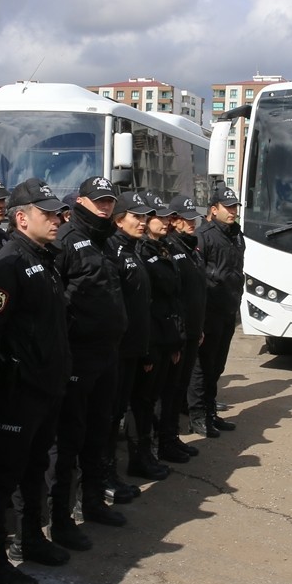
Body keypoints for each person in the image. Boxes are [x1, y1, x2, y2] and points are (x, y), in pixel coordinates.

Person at [0, 178, 73, 584]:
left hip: (45, 387)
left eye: (56, 213)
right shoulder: (9, 262)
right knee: (1, 480)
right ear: (22, 218)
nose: (56, 220)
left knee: (36, 470)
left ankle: (33, 537)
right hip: (18, 394)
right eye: (46, 214)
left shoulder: (44, 257)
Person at [52, 175, 129, 549]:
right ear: (80, 202)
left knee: (101, 433)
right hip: (78, 358)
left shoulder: (108, 241)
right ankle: (60, 517)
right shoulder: (65, 240)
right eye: (98, 201)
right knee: (70, 440)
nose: (104, 206)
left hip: (107, 355)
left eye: (109, 201)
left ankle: (93, 500)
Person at [109, 192, 165, 484]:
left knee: (138, 405)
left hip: (139, 347)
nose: (142, 222)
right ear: (119, 220)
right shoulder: (115, 252)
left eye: (145, 217)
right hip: (120, 350)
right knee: (113, 415)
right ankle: (107, 475)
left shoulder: (135, 250)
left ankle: (140, 459)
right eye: (136, 216)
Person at [132, 193, 188, 465]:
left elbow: (174, 298)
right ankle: (142, 453)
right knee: (144, 401)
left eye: (168, 217)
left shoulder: (163, 248)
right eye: (160, 217)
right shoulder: (141, 251)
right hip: (152, 339)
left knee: (164, 394)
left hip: (167, 336)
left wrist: (176, 340)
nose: (166, 221)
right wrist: (150, 347)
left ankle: (163, 443)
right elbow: (146, 304)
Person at [188, 186, 244, 438]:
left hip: (228, 309)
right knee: (203, 367)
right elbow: (199, 277)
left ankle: (210, 412)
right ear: (214, 209)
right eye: (228, 207)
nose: (233, 212)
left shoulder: (235, 234)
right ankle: (197, 416)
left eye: (234, 207)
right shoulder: (204, 235)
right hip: (209, 311)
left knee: (217, 367)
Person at [165, 195, 206, 457]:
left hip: (192, 329)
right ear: (175, 221)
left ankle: (172, 437)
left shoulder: (191, 247)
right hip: (177, 331)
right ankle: (164, 441)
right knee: (170, 391)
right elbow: (174, 295)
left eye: (194, 219)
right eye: (186, 219)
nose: (192, 223)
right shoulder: (170, 247)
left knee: (179, 389)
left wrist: (198, 327)